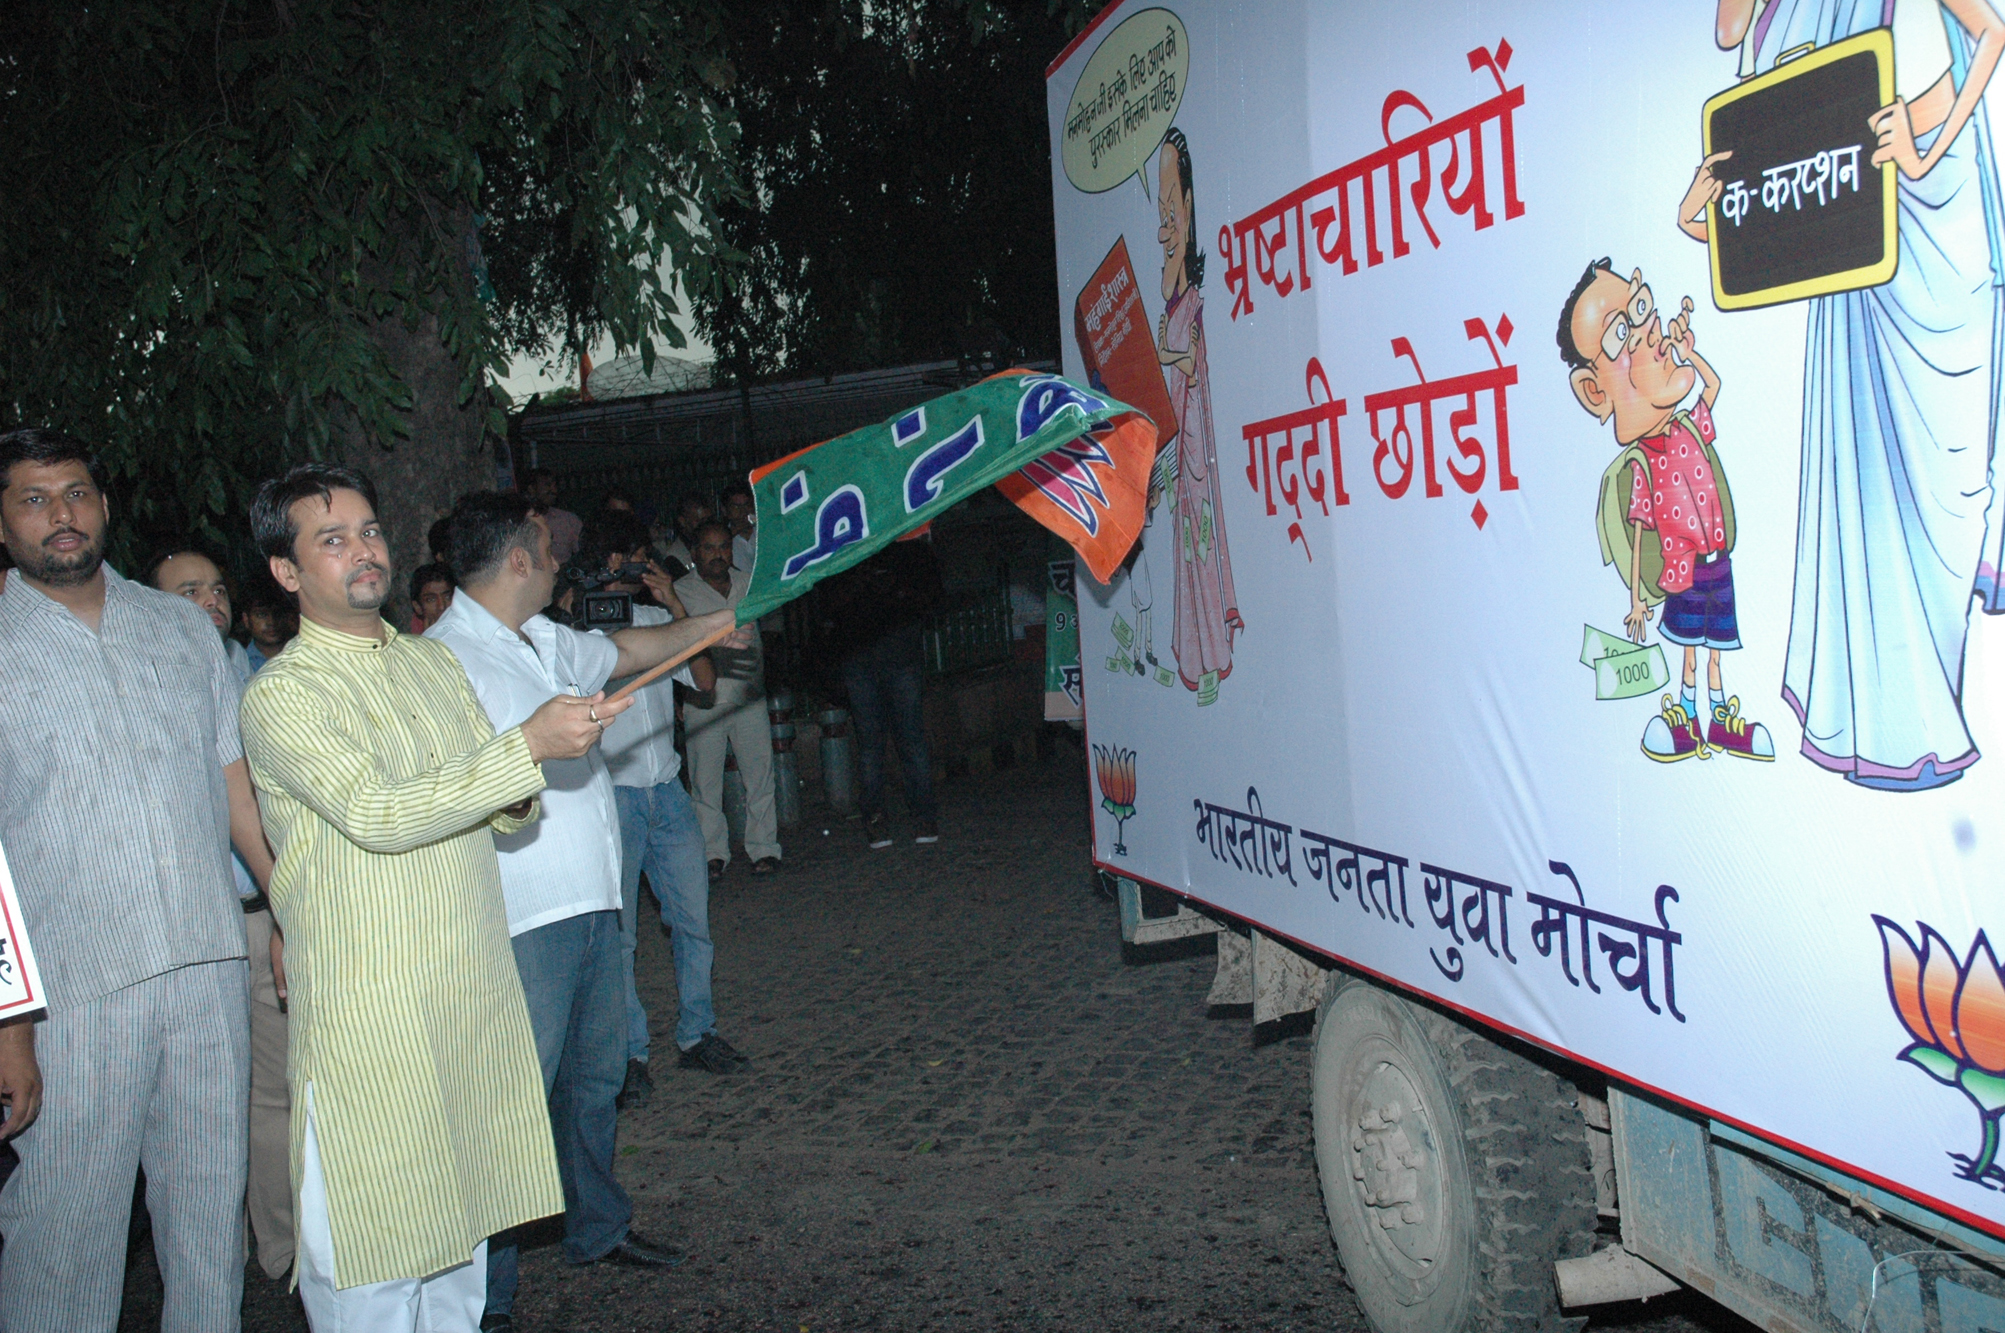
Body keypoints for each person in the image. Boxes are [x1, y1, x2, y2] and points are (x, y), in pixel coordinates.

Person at [239, 463, 617, 1331]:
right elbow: (379, 812)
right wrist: (523, 744)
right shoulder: (283, 694)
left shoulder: (430, 662)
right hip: (372, 1018)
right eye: (329, 540)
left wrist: (539, 756)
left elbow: (497, 802)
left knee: (459, 1269)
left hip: (465, 994)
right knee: (372, 1264)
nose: (361, 550)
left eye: (369, 530)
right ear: (286, 572)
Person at [426, 492, 746, 1328]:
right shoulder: (439, 661)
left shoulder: (543, 638)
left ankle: (597, 1227)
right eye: (546, 544)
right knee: (512, 1102)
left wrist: (711, 626)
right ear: (518, 558)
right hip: (516, 914)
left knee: (595, 1080)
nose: (563, 558)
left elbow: (628, 646)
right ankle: (484, 1295)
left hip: (596, 899)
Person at [1680, 0, 2005, 787]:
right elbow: (1732, 37)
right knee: (1872, 499)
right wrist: (1699, 214)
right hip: (1856, 258)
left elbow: (1990, 31)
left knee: (1953, 485)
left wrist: (1921, 140)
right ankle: (1904, 716)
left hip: (1939, 234)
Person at [0, 427, 272, 1333]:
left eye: (75, 493)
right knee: (62, 1239)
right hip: (72, 997)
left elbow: (231, 779)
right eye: (34, 500)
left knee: (206, 1230)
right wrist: (10, 1026)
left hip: (205, 968)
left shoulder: (177, 629)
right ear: (3, 520)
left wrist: (290, 908)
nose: (61, 516)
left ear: (105, 506)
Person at [148, 544, 299, 1283]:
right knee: (208, 1101)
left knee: (273, 1088)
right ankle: (236, 1248)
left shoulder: (266, 679)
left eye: (214, 589)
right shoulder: (146, 686)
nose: (206, 602)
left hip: (261, 911)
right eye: (185, 591)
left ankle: (280, 1246)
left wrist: (289, 913)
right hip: (189, 931)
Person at [1560, 260, 1774, 763]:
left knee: (1718, 646)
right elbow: (1638, 536)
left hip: (1717, 560)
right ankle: (1687, 717)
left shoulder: (1690, 429)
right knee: (1690, 653)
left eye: (1642, 307)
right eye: (1623, 332)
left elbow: (1712, 389)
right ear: (1595, 392)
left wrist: (1690, 355)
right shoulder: (1642, 464)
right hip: (1681, 573)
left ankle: (1721, 720)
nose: (1650, 329)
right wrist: (1638, 600)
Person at [590, 518, 750, 1090]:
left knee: (693, 921)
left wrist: (674, 602)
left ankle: (697, 1033)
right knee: (622, 937)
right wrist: (596, 597)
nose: (633, 572)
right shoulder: (576, 632)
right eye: (623, 562)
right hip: (613, 795)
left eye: (640, 562)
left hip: (667, 791)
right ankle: (630, 1054)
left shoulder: (660, 619)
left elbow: (704, 682)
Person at [1154, 126, 1243, 703]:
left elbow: (1189, 368)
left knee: (1202, 551)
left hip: (1198, 456)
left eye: (1171, 212)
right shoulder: (1175, 298)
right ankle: (1196, 657)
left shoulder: (1198, 302)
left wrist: (1165, 351)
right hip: (1181, 454)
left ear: (1189, 204)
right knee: (1187, 554)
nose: (1163, 230)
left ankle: (1213, 657)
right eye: (1158, 216)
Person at [820, 538, 944, 846]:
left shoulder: (908, 547)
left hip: (900, 656)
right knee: (870, 746)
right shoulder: (845, 545)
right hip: (860, 661)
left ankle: (923, 815)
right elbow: (829, 602)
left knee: (911, 741)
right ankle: (875, 817)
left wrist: (896, 588)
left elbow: (932, 596)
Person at [675, 522, 782, 876]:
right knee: (705, 784)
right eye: (709, 548)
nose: (718, 553)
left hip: (749, 695)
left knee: (760, 776)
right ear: (694, 554)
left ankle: (764, 848)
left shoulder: (748, 582)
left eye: (723, 546)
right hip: (703, 700)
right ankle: (712, 854)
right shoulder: (680, 593)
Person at [147, 547, 253, 681]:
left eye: (219, 591)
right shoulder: (143, 674)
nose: (213, 600)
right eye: (191, 592)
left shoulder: (236, 655)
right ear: (157, 607)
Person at [239, 574, 299, 674]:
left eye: (278, 613)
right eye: (262, 615)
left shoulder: (302, 654)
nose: (271, 622)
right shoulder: (240, 664)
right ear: (246, 619)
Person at [522, 467, 583, 565]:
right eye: (547, 485)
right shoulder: (520, 521)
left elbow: (583, 555)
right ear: (532, 489)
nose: (554, 490)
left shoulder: (568, 520)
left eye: (555, 485)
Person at [410, 561, 456, 633]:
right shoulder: (411, 642)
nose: (441, 606)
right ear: (418, 607)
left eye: (448, 597)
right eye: (431, 600)